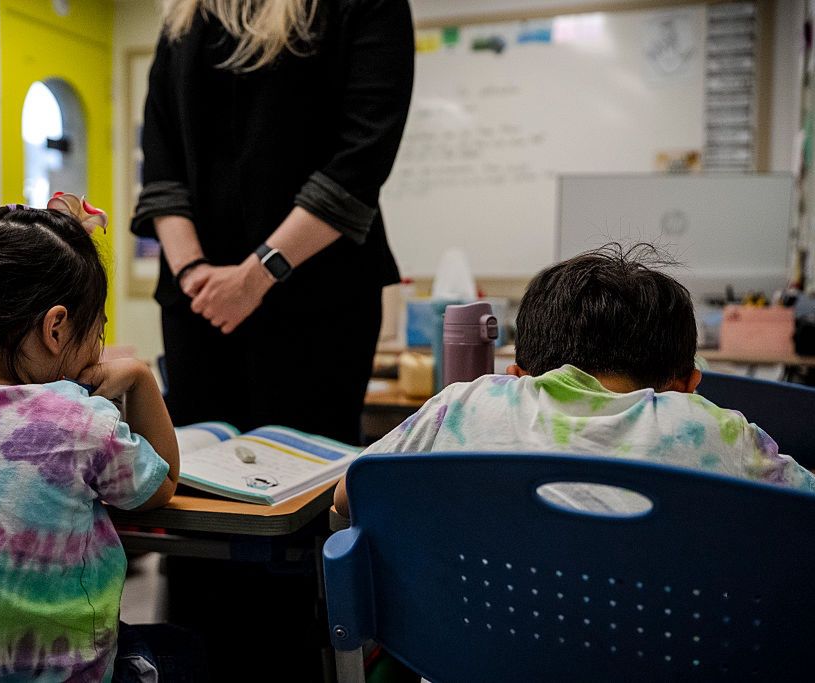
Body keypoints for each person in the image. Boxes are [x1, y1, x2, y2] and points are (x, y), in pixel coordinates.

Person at [0, 197, 206, 681]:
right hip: (64, 675)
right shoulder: (78, 419)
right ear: (56, 326)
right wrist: (138, 377)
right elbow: (164, 483)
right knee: (186, 649)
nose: (98, 348)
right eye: (99, 330)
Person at [335, 244, 815, 518]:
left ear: (516, 377)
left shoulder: (465, 405)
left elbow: (346, 496)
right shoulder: (719, 433)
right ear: (688, 387)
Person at [131, 0, 414, 445]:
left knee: (305, 490)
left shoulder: (364, 6)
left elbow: (361, 159)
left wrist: (257, 274)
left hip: (319, 299)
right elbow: (160, 156)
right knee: (200, 487)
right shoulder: (185, 16)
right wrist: (192, 273)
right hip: (199, 302)